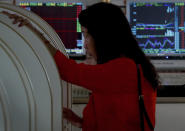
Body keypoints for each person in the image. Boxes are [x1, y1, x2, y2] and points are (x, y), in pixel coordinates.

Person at [3, 2, 160, 131]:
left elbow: (69, 71)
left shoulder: (123, 69)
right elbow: (116, 118)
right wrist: (79, 122)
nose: (85, 45)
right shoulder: (133, 64)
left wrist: (34, 33)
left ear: (104, 37)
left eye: (86, 35)